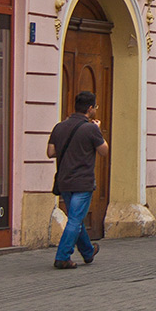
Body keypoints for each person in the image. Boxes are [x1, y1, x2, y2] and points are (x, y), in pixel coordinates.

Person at [47, 91, 109, 269]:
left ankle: (88, 251)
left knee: (76, 217)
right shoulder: (90, 129)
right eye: (95, 107)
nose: (96, 110)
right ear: (89, 109)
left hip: (64, 181)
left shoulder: (59, 126)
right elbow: (104, 151)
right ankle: (62, 256)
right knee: (75, 219)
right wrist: (97, 132)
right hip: (82, 182)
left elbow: (51, 152)